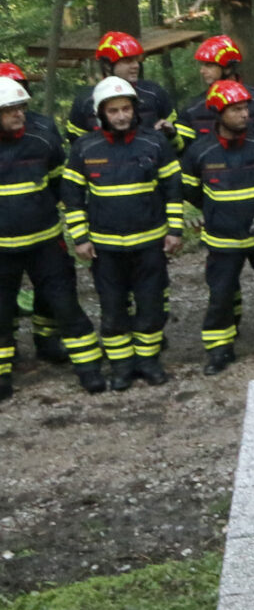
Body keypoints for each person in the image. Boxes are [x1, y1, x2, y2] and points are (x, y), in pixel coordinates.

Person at [64, 77, 184, 389]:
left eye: (126, 109)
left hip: (150, 243)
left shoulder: (155, 143)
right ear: (101, 114)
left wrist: (174, 230)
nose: (121, 116)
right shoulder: (84, 148)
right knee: (113, 309)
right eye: (114, 110)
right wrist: (80, 238)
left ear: (135, 110)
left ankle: (148, 362)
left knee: (151, 306)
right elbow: (72, 197)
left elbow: (173, 189)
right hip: (105, 249)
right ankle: (121, 367)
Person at [180, 79, 254, 373]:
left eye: (245, 108)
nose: (244, 114)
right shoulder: (199, 152)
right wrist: (217, 211)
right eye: (235, 110)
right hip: (223, 241)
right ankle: (219, 349)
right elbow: (191, 190)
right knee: (220, 295)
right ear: (218, 113)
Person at [0, 75, 93, 398]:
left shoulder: (43, 141)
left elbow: (59, 186)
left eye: (21, 108)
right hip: (2, 251)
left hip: (46, 244)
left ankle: (89, 370)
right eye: (10, 109)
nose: (19, 114)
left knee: (65, 305)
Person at [68, 32, 176, 139]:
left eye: (136, 60)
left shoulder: (153, 92)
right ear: (107, 65)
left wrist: (171, 134)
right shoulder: (85, 101)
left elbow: (177, 141)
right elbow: (76, 143)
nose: (136, 65)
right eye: (128, 61)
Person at [173, 34, 254, 148]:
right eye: (202, 65)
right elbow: (181, 148)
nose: (202, 71)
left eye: (209, 65)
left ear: (227, 68)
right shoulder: (193, 109)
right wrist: (170, 134)